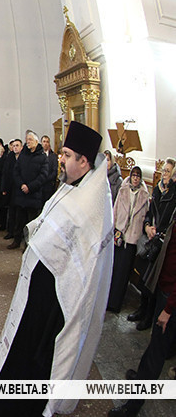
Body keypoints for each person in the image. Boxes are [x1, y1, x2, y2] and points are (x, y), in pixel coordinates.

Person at [0, 121, 111, 417]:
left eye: (66, 155)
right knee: (19, 344)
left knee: (33, 354)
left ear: (84, 161)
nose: (61, 160)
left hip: (56, 300)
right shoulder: (71, 187)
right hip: (38, 289)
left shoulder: (93, 203)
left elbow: (86, 263)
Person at [108, 165, 176, 417]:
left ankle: (133, 404)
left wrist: (168, 308)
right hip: (164, 286)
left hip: (171, 296)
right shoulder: (168, 198)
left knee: (158, 348)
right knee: (156, 346)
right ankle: (142, 378)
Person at [130, 158, 176, 331]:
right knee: (143, 277)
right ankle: (142, 309)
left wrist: (157, 231)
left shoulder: (173, 194)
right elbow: (150, 212)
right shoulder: (157, 190)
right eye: (163, 170)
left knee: (152, 282)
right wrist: (148, 226)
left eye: (167, 171)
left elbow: (168, 220)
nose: (164, 174)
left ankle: (148, 316)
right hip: (151, 237)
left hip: (161, 243)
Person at [108, 166, 150, 312]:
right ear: (130, 176)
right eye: (133, 175)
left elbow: (146, 216)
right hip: (120, 234)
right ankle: (108, 300)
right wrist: (114, 228)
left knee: (123, 273)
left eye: (138, 176)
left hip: (132, 239)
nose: (135, 178)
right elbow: (116, 208)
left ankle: (116, 304)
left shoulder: (144, 195)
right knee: (114, 269)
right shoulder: (123, 189)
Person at [7, 131, 49, 250]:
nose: (28, 141)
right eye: (27, 139)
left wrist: (30, 187)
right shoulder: (23, 155)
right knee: (18, 220)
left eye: (30, 139)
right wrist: (22, 185)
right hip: (21, 193)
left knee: (31, 222)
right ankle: (16, 240)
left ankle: (29, 244)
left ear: (36, 142)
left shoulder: (42, 157)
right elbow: (16, 171)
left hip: (33, 194)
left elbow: (43, 175)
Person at [1, 139, 22, 239]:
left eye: (17, 145)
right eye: (13, 146)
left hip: (20, 189)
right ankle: (10, 231)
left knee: (19, 213)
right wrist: (4, 188)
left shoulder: (24, 158)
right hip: (10, 188)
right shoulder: (9, 158)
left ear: (21, 147)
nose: (15, 147)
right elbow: (5, 173)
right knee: (11, 211)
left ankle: (18, 232)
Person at [40, 135, 59, 202]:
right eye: (44, 141)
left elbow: (54, 171)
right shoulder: (37, 155)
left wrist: (46, 179)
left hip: (49, 185)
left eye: (47, 142)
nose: (45, 143)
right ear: (41, 143)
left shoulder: (53, 156)